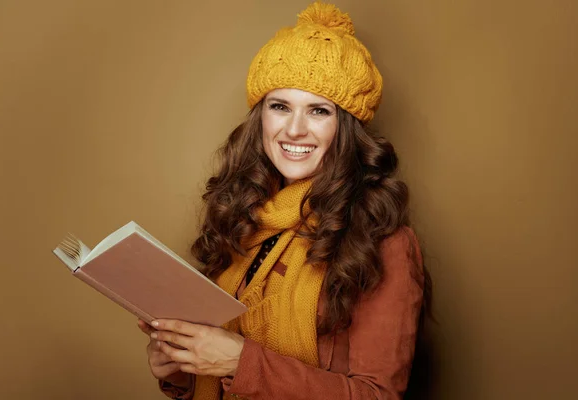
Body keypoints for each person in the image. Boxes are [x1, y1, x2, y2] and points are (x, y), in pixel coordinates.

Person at [137, 2, 432, 399]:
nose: (294, 129)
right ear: (260, 118)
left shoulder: (383, 241)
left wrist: (239, 362)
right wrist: (179, 369)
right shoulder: (244, 217)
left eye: (318, 111)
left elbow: (376, 395)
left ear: (345, 129)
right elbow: (221, 379)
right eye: (280, 107)